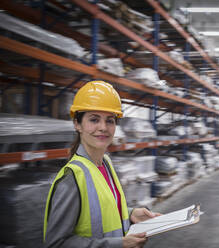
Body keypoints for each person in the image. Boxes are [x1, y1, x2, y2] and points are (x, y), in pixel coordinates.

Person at [43, 81, 161, 248]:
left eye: (110, 121)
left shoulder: (106, 163)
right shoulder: (72, 178)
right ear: (77, 124)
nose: (103, 127)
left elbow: (102, 212)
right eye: (94, 119)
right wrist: (118, 244)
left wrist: (131, 213)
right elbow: (56, 243)